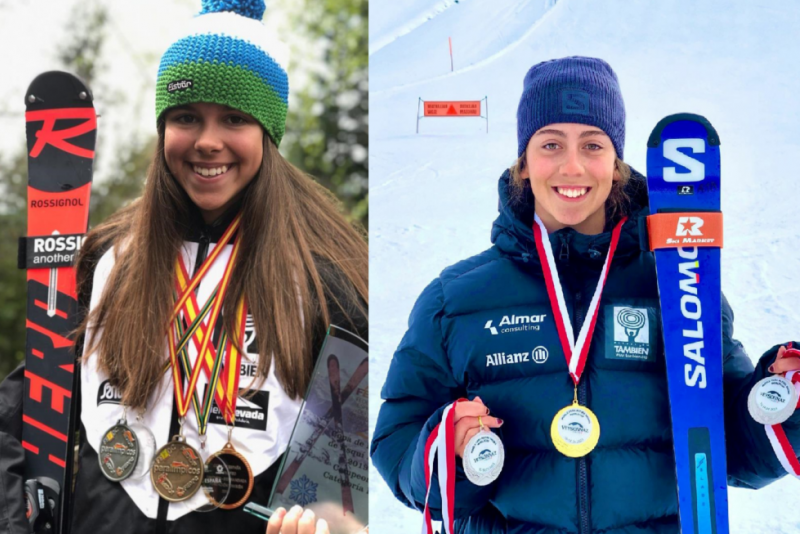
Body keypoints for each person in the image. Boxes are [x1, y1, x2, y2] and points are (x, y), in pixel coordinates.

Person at [371, 56, 800, 533]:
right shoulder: (455, 300)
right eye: (550, 143)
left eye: (592, 145)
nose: (571, 166)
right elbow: (397, 437)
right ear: (524, 162)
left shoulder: (680, 285)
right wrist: (448, 448)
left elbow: (726, 448)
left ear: (616, 165)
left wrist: (782, 404)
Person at [0, 1, 367, 533]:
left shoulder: (318, 280)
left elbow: (351, 482)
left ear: (268, 131)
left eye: (234, 118)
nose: (207, 140)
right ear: (162, 127)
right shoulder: (110, 261)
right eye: (186, 116)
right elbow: (23, 410)